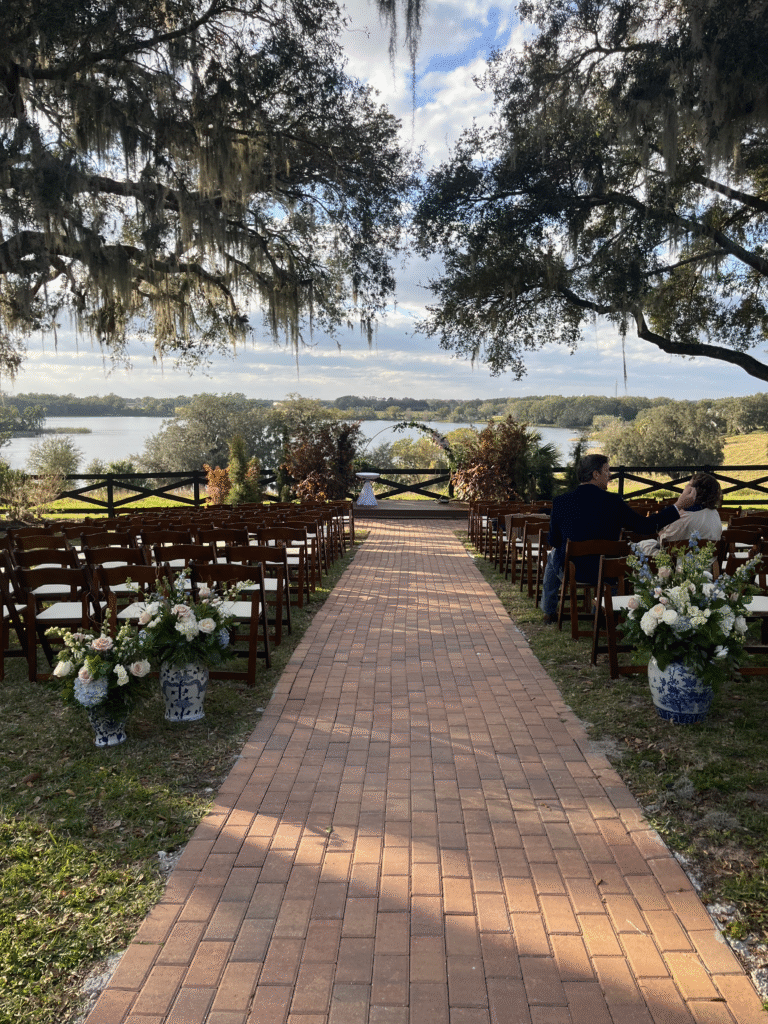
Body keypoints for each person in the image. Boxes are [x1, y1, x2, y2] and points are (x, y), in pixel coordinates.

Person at [541, 454, 696, 622]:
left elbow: (554, 541)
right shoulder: (614, 502)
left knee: (553, 555)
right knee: (610, 564)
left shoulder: (561, 502)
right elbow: (645, 526)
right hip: (607, 571)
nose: (610, 476)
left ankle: (549, 611)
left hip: (573, 571)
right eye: (607, 471)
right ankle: (600, 611)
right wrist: (677, 506)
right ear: (595, 474)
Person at [635, 472, 722, 555]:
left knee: (639, 547)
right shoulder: (715, 514)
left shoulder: (684, 518)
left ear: (692, 491)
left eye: (688, 484)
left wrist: (660, 530)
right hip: (707, 565)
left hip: (680, 565)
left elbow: (665, 543)